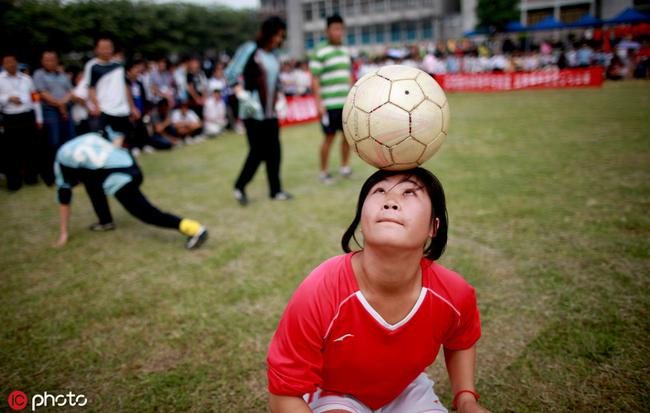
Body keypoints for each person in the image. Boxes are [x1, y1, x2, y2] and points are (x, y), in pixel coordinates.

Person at [267, 168, 489, 413]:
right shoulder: (321, 288)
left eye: (409, 193)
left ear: (433, 227)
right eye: (379, 191)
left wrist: (466, 398)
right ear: (362, 220)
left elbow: (461, 340)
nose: (391, 202)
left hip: (406, 389)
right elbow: (284, 394)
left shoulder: (453, 293)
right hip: (335, 390)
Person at [52, 127, 208, 249]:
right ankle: (105, 221)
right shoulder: (83, 140)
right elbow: (115, 137)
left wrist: (63, 233)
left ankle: (194, 229)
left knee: (148, 213)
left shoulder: (62, 162)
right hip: (130, 164)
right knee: (92, 182)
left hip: (120, 177)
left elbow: (64, 197)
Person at [225, 16, 292, 205]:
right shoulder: (250, 50)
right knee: (257, 152)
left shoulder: (274, 56)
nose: (280, 39)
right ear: (269, 33)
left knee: (275, 151)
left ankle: (276, 190)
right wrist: (240, 93)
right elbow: (230, 73)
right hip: (252, 111)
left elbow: (276, 82)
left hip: (270, 112)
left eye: (282, 36)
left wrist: (281, 98)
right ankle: (240, 186)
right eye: (277, 35)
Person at [309, 14, 353, 185]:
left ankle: (344, 167)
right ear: (327, 31)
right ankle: (324, 172)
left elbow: (348, 75)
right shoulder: (319, 51)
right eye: (335, 28)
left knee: (347, 137)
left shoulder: (345, 50)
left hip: (345, 104)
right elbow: (314, 79)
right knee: (329, 137)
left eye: (341, 28)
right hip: (329, 105)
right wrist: (318, 103)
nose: (338, 32)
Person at [85, 37, 140, 145]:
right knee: (103, 140)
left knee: (123, 139)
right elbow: (91, 88)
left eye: (108, 48)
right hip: (105, 109)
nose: (106, 51)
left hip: (121, 109)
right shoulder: (93, 66)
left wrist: (132, 107)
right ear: (96, 49)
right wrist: (96, 105)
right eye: (103, 48)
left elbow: (126, 86)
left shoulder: (119, 66)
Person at [0, 54, 44, 191]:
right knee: (11, 153)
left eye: (13, 62)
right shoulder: (0, 80)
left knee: (30, 149)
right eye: (7, 63)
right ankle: (14, 182)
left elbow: (35, 98)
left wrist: (39, 118)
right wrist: (8, 98)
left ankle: (31, 178)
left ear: (17, 63)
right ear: (3, 65)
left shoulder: (27, 79)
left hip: (27, 116)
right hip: (10, 118)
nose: (11, 65)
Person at [33, 50, 76, 174]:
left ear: (57, 60)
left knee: (70, 140)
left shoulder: (62, 74)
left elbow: (70, 91)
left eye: (53, 59)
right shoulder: (39, 74)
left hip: (67, 111)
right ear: (42, 61)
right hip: (50, 112)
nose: (50, 62)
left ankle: (71, 171)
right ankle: (57, 172)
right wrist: (59, 104)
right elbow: (42, 93)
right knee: (54, 142)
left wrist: (62, 104)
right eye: (47, 59)